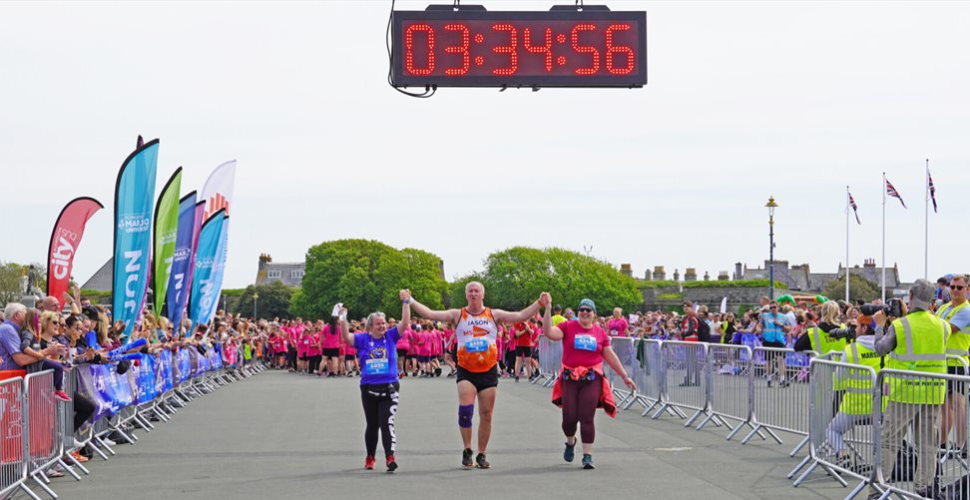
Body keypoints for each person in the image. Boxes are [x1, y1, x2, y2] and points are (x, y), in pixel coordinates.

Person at [405, 282, 544, 469]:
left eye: (476, 290)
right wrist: (410, 300)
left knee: (486, 414)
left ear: (483, 294)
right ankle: (467, 449)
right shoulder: (457, 314)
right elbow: (430, 314)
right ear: (466, 295)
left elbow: (520, 315)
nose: (473, 293)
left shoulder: (494, 314)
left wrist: (539, 303)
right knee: (465, 412)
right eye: (470, 291)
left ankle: (481, 453)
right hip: (466, 370)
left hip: (487, 370)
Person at [868, 279, 949, 500]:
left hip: (905, 391)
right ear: (933, 299)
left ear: (910, 296)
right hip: (933, 391)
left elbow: (880, 348)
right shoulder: (942, 325)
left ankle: (878, 490)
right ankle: (924, 488)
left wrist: (878, 325)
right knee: (927, 444)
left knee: (889, 441)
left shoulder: (901, 325)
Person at [542, 296, 635, 469]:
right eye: (581, 309)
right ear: (578, 313)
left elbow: (610, 356)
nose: (584, 312)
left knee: (587, 416)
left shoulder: (599, 333)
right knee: (569, 418)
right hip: (570, 378)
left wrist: (624, 376)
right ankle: (570, 442)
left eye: (588, 310)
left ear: (594, 314)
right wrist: (547, 309)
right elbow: (549, 333)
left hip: (591, 379)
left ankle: (587, 456)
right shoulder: (568, 326)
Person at [340, 294, 410, 472]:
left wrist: (406, 302)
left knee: (387, 423)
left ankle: (390, 457)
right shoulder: (363, 339)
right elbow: (346, 337)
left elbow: (405, 321)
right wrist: (342, 318)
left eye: (384, 323)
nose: (383, 326)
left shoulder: (391, 337)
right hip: (368, 388)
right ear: (371, 326)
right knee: (372, 424)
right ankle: (370, 457)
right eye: (378, 323)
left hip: (389, 387)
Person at [936, 274, 970, 453]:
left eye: (959, 287)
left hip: (958, 363)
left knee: (958, 403)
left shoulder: (966, 310)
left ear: (967, 289)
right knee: (944, 404)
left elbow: (949, 329)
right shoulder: (944, 308)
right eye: (952, 286)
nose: (955, 290)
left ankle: (962, 444)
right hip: (943, 362)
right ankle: (942, 442)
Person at [756, 302, 791, 388]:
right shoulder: (765, 316)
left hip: (779, 340)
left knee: (781, 360)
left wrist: (780, 324)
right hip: (768, 340)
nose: (772, 309)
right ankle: (769, 379)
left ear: (778, 307)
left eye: (774, 307)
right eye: (771, 308)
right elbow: (759, 326)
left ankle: (782, 380)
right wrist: (759, 329)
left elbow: (788, 329)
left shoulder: (783, 317)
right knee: (769, 361)